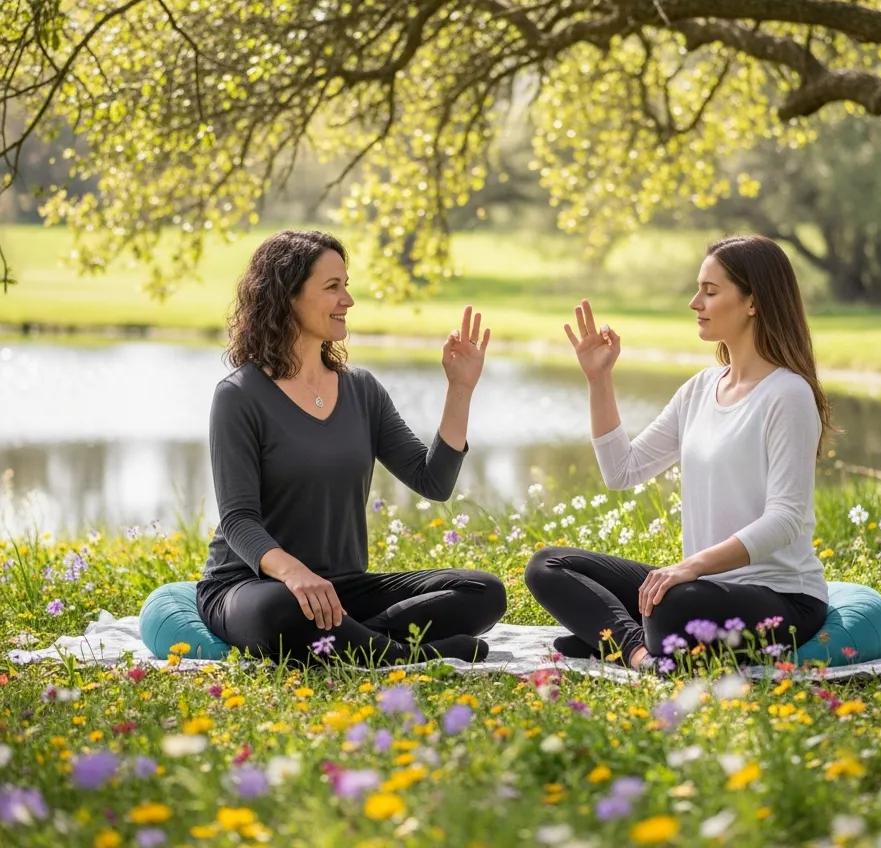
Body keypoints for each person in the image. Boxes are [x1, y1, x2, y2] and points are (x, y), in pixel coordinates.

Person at [196, 230, 506, 666]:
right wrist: (295, 575)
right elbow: (238, 520)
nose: (348, 300)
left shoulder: (361, 390)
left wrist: (460, 389)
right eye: (332, 287)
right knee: (283, 611)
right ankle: (402, 654)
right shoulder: (240, 395)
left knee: (483, 593)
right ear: (287, 296)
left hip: (341, 587)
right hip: (251, 586)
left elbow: (433, 481)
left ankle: (351, 640)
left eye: (347, 284)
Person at [525, 234, 830, 670]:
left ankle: (616, 639)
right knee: (547, 566)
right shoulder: (701, 389)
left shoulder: (787, 394)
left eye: (710, 291)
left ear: (752, 303)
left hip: (781, 598)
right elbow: (622, 471)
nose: (694, 302)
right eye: (697, 290)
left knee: (673, 605)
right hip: (704, 586)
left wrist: (688, 568)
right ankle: (639, 650)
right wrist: (599, 379)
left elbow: (785, 520)